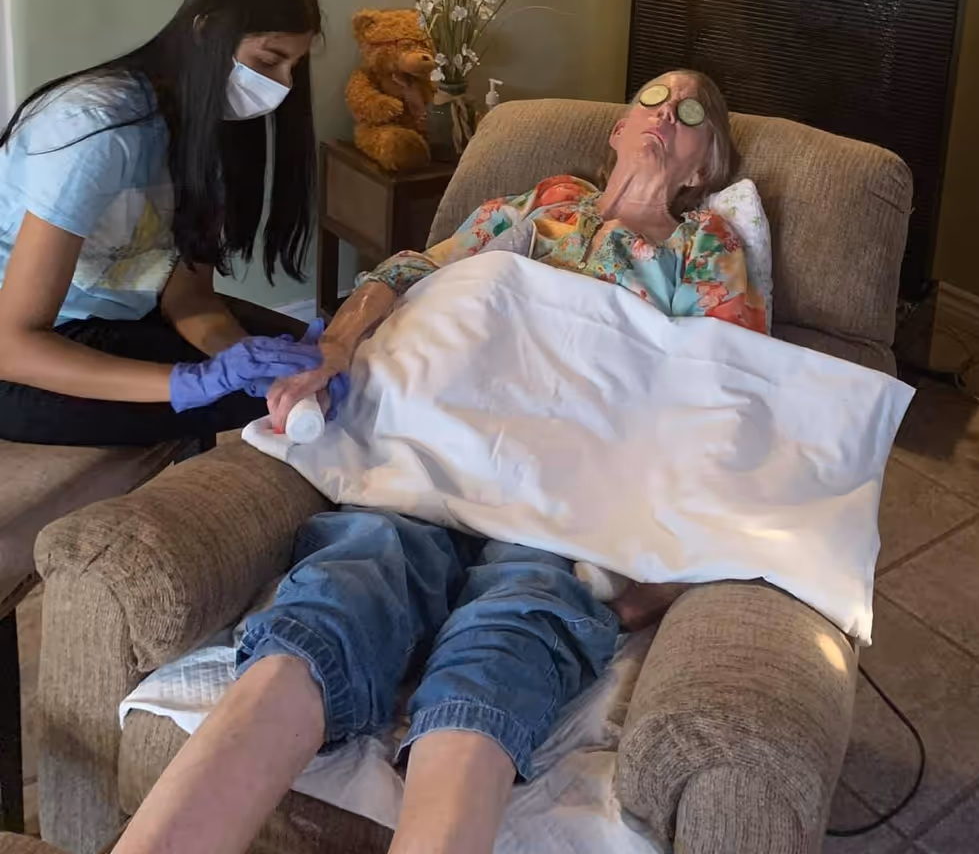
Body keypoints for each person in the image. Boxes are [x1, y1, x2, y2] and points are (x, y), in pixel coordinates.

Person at [114, 70, 764, 854]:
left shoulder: (705, 248)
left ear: (702, 167)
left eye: (690, 112)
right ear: (617, 132)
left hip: (561, 503)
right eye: (652, 100)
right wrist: (334, 348)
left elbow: (735, 397)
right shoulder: (545, 203)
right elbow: (408, 274)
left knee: (513, 628)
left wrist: (655, 584)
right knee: (344, 587)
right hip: (430, 462)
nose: (666, 114)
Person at [0, 0, 326, 446]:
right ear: (205, 30)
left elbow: (190, 297)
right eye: (270, 60)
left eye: (294, 67)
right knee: (270, 402)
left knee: (316, 373)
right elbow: (14, 344)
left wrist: (239, 359)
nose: (282, 86)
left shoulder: (207, 130)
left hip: (120, 319)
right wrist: (190, 383)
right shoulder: (95, 130)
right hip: (28, 356)